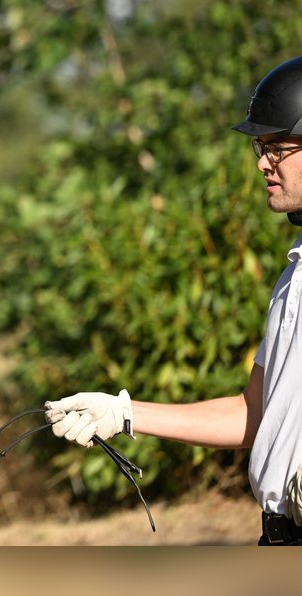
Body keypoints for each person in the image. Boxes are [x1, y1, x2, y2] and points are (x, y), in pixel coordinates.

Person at [44, 56, 302, 546]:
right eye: (259, 147)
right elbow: (254, 413)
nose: (262, 162)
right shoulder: (295, 274)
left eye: (277, 148)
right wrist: (124, 414)